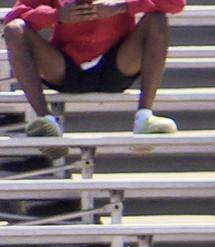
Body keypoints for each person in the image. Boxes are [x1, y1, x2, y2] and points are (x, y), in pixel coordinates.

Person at [3, 0, 183, 159]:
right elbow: (13, 16)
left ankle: (144, 117)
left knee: (157, 18)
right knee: (14, 29)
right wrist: (56, 15)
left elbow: (175, 3)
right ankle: (46, 122)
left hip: (117, 63)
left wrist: (123, 6)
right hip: (66, 67)